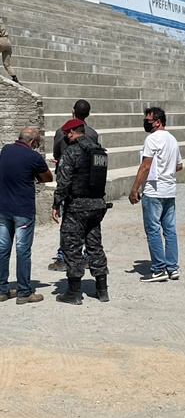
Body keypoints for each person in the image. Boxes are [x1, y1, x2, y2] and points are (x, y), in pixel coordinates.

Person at [52, 119, 111, 305]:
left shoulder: (71, 152)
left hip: (77, 206)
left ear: (70, 133)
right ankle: (102, 290)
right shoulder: (100, 151)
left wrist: (56, 204)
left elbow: (63, 182)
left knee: (71, 246)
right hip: (97, 205)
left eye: (66, 134)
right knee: (95, 246)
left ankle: (74, 292)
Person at [129, 107, 183, 282]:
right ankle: (172, 267)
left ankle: (158, 269)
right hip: (169, 189)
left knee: (153, 230)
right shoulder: (173, 140)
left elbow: (145, 166)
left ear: (158, 122)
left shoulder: (152, 139)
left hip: (154, 190)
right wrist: (166, 169)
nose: (146, 122)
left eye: (148, 120)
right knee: (169, 230)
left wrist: (134, 189)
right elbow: (179, 165)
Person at [0, 127, 53, 303]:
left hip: (3, 209)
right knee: (23, 251)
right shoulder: (34, 157)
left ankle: (2, 289)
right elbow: (47, 177)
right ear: (32, 142)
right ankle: (24, 292)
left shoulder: (6, 150)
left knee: (2, 249)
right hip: (22, 210)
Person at [48, 99, 100, 272]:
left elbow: (58, 153)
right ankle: (88, 261)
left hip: (70, 186)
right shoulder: (92, 133)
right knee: (91, 232)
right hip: (91, 189)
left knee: (68, 227)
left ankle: (64, 258)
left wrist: (56, 201)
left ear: (73, 111)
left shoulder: (61, 132)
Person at [0, 20, 18, 84]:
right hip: (8, 42)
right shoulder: (2, 22)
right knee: (7, 64)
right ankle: (15, 78)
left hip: (1, 40)